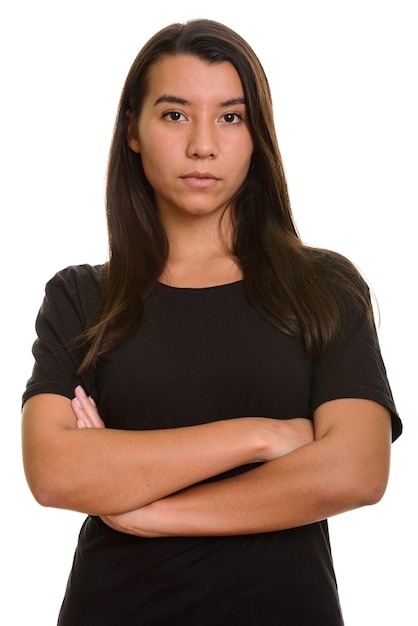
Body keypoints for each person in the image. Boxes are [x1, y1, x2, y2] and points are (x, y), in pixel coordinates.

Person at [21, 18, 402, 626]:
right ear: (134, 132)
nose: (204, 145)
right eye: (175, 115)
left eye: (230, 116)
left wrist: (149, 510)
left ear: (257, 136)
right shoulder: (83, 296)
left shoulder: (322, 287)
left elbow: (356, 470)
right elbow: (54, 471)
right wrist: (261, 435)